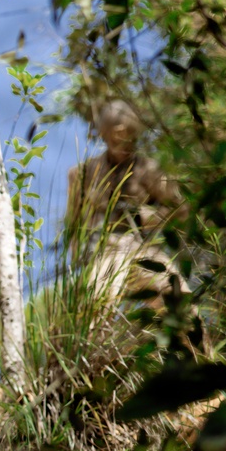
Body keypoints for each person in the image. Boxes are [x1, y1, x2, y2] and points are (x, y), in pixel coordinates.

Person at [66, 99, 186, 301]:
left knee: (181, 305)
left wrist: (151, 216)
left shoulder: (150, 170)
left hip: (144, 249)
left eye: (129, 139)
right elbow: (74, 222)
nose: (123, 145)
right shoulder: (83, 174)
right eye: (115, 139)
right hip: (105, 250)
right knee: (99, 304)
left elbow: (181, 209)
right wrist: (77, 259)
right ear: (104, 135)